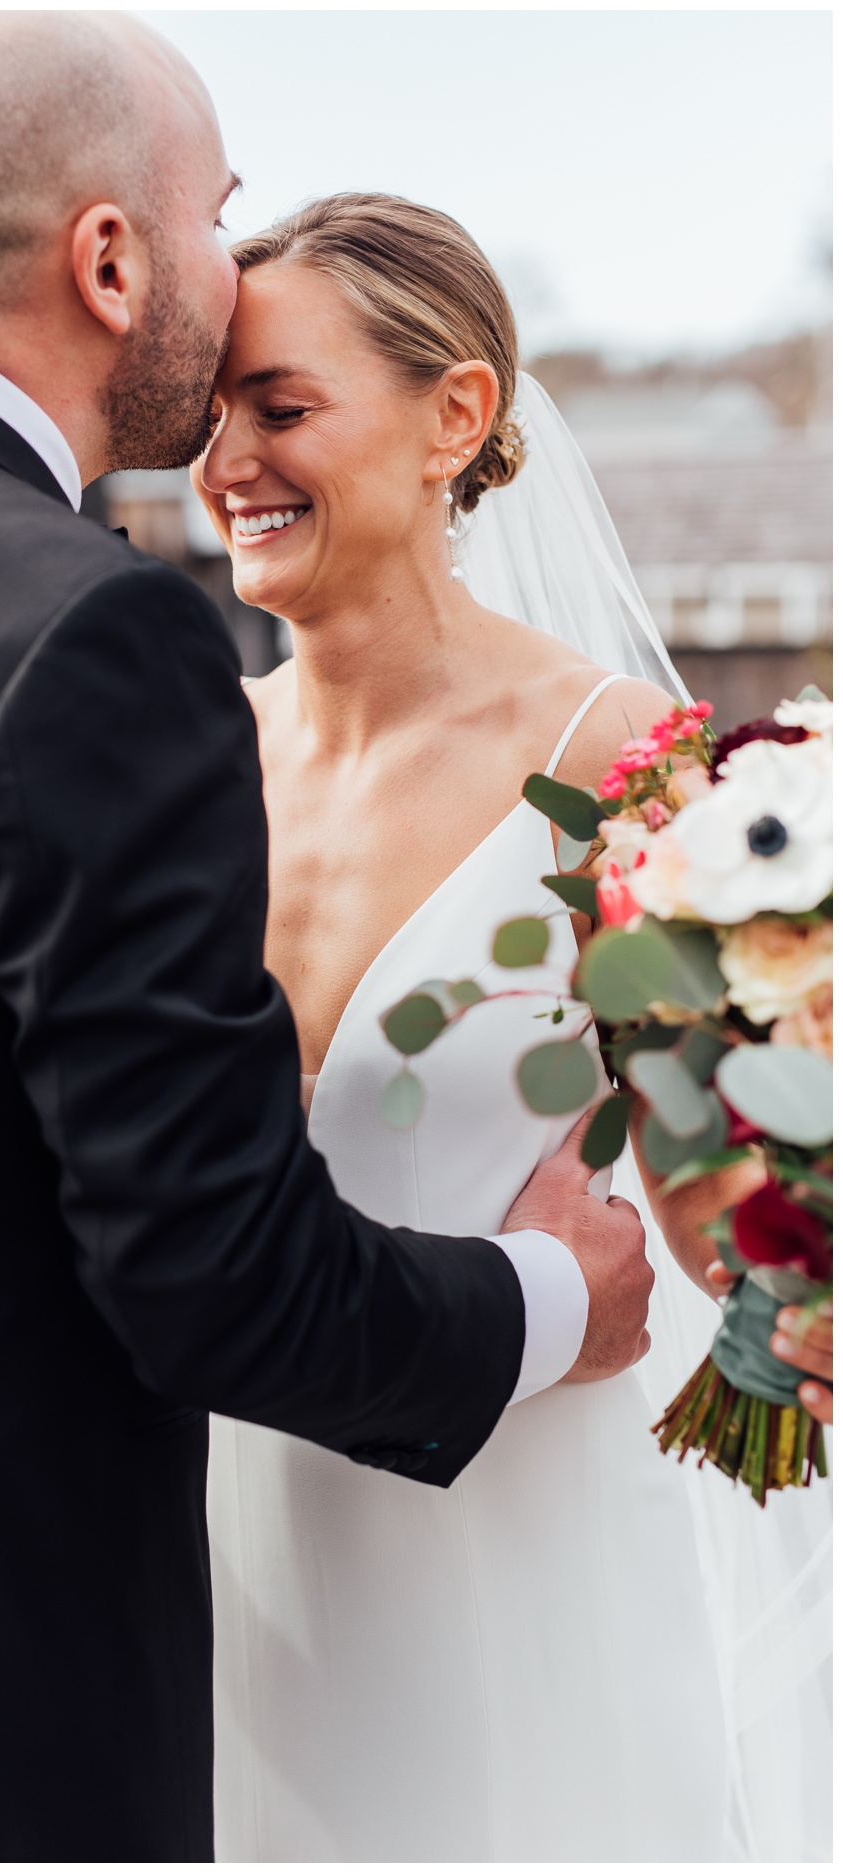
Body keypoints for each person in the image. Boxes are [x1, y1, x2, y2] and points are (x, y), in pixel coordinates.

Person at [0, 13, 657, 1860]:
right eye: (214, 221)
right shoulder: (85, 633)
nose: (224, 286)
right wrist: (554, 1295)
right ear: (107, 258)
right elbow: (204, 1267)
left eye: (289, 395)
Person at [201, 193, 831, 1860]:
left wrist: (796, 1276)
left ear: (456, 419)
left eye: (278, 406)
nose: (224, 465)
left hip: (523, 1567)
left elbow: (729, 1211)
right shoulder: (179, 758)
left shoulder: (624, 763)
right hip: (212, 1584)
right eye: (206, 416)